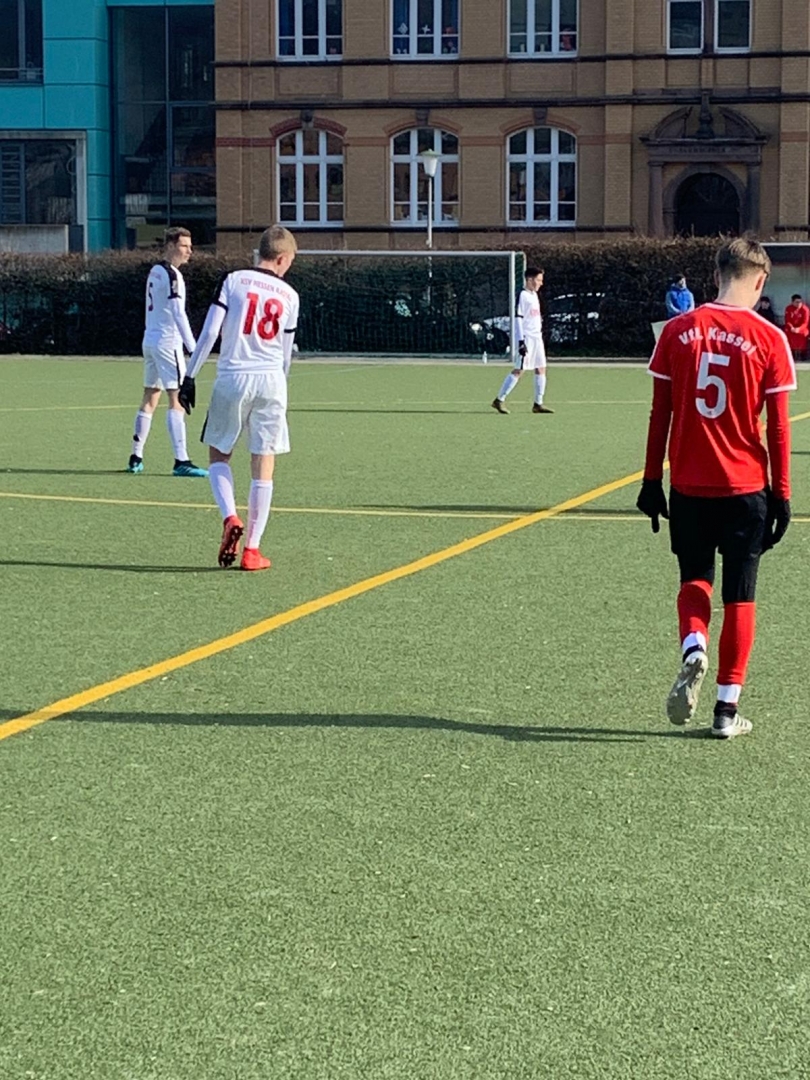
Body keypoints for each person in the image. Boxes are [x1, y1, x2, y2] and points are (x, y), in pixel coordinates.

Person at [637, 236, 795, 739]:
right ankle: (726, 712)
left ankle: (694, 645)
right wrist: (783, 493)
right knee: (741, 595)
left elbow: (660, 413)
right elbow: (778, 427)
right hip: (746, 487)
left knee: (695, 579)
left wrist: (651, 480)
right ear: (761, 280)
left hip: (688, 485)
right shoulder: (770, 338)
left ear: (716, 275)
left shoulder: (677, 331)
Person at [179, 225, 299, 572]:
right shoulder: (290, 295)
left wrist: (190, 376)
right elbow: (286, 354)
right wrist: (280, 386)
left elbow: (210, 332)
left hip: (233, 377)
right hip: (271, 380)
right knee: (263, 463)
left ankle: (230, 516)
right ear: (282, 259)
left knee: (219, 454)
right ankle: (252, 550)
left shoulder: (233, 280)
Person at [127, 227, 208, 477]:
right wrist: (194, 347)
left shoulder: (155, 271)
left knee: (150, 396)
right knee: (177, 398)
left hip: (150, 340)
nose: (189, 251)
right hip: (167, 343)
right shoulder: (172, 275)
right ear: (171, 246)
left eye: (190, 246)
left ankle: (136, 456)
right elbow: (177, 313)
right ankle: (181, 460)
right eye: (184, 246)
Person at [491, 267, 553, 415]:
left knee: (541, 368)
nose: (541, 283)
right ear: (530, 280)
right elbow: (518, 318)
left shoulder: (534, 295)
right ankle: (499, 400)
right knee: (519, 370)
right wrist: (520, 341)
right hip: (527, 338)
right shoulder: (523, 295)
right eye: (538, 280)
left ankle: (538, 403)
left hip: (537, 338)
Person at [783, 293, 810, 361]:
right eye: (797, 302)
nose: (799, 304)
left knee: (804, 334)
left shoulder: (805, 309)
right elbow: (787, 320)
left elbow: (805, 322)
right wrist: (791, 327)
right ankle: (792, 353)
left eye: (800, 302)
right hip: (791, 328)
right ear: (792, 302)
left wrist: (799, 329)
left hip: (802, 328)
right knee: (787, 333)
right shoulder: (788, 308)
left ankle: (803, 353)